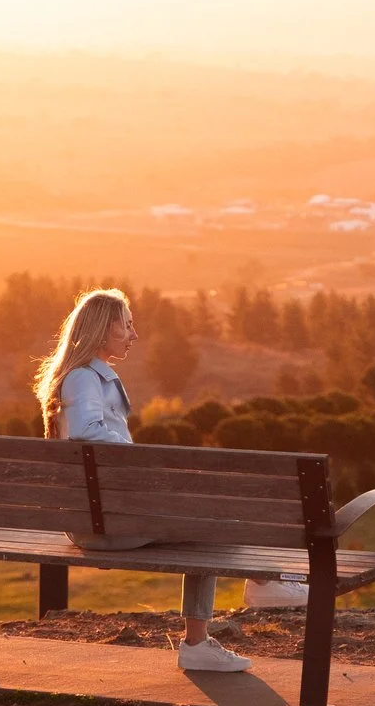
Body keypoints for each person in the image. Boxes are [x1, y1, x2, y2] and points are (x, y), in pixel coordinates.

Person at [36, 287, 252, 672]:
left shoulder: (80, 377)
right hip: (105, 523)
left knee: (211, 515)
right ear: (103, 330)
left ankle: (227, 618)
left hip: (102, 514)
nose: (134, 335)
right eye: (127, 326)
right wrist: (139, 460)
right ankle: (206, 636)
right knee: (217, 522)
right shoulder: (84, 379)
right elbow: (88, 433)